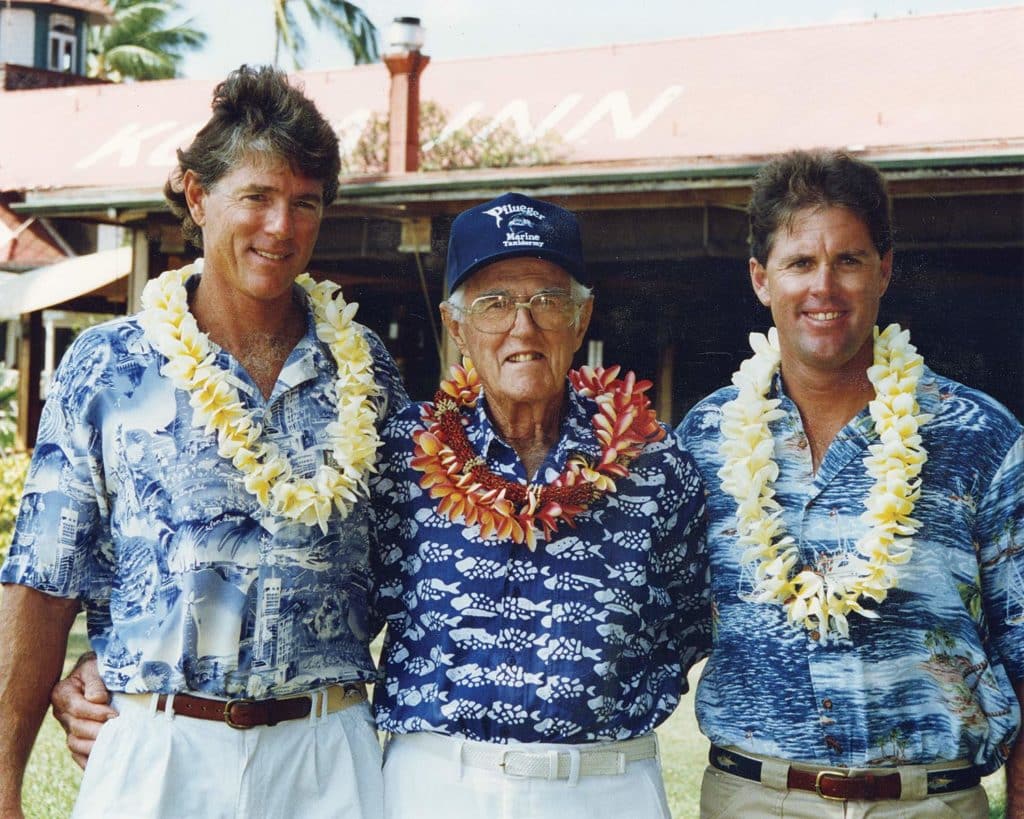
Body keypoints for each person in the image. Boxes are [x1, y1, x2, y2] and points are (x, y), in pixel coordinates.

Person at [0, 65, 406, 819]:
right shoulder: (109, 364)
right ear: (196, 195)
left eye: (305, 204)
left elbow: (413, 565)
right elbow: (40, 579)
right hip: (159, 752)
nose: (281, 227)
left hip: (327, 754)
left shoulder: (366, 370)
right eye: (257, 196)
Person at [676, 149, 1023, 818]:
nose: (823, 287)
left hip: (928, 804)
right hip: (754, 800)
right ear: (760, 278)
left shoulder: (983, 438)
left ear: (885, 269)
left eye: (849, 260)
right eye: (800, 262)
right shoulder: (705, 439)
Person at [369, 192, 710, 819]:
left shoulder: (656, 466)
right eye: (493, 304)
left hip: (606, 790)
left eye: (547, 301)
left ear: (581, 320)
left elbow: (687, 626)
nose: (522, 328)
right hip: (437, 787)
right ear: (455, 324)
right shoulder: (402, 457)